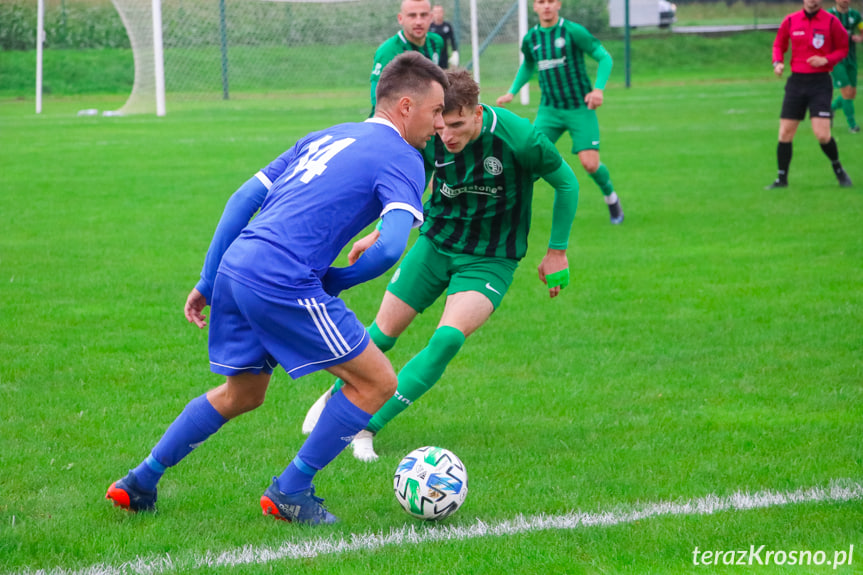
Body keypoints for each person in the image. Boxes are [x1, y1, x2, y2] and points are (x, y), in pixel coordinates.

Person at [105, 52, 448, 525]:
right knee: (377, 382)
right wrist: (336, 280)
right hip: (282, 277)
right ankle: (291, 490)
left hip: (239, 264)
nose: (439, 125)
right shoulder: (404, 158)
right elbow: (390, 250)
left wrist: (210, 278)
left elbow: (242, 199)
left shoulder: (324, 135)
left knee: (242, 392)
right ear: (406, 106)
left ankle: (140, 480)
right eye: (435, 112)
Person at [302, 68, 580, 462]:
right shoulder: (428, 136)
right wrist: (381, 231)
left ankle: (366, 426)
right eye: (441, 124)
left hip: (489, 258)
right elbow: (409, 188)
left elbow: (567, 183)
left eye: (457, 124)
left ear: (478, 113)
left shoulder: (520, 138)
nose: (447, 135)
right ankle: (333, 400)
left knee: (447, 339)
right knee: (381, 335)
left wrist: (556, 251)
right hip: (436, 244)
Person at [496, 0, 623, 225]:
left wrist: (598, 89)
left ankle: (611, 198)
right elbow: (528, 65)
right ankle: (509, 214)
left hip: (579, 108)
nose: (546, 6)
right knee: (528, 160)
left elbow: (604, 57)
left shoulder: (573, 31)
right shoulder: (531, 38)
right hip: (549, 110)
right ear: (534, 6)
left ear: (559, 4)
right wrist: (511, 92)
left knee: (590, 164)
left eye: (551, 1)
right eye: (541, 2)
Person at [767, 0, 852, 189]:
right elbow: (778, 45)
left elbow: (843, 49)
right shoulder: (790, 20)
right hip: (796, 83)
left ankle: (839, 170)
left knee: (822, 134)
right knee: (785, 133)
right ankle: (782, 179)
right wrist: (778, 62)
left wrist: (826, 59)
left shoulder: (831, 22)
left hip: (820, 83)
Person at [369, 0, 444, 115]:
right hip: (394, 123)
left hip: (426, 120)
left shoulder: (437, 42)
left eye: (423, 15)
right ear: (400, 18)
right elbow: (377, 98)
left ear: (431, 17)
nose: (418, 21)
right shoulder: (388, 50)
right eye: (412, 15)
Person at [828, 0, 863, 133]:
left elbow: (862, 29)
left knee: (852, 94)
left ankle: (831, 108)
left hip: (851, 59)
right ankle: (852, 125)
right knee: (847, 91)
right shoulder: (829, 15)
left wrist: (860, 38)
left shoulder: (855, 15)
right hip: (836, 60)